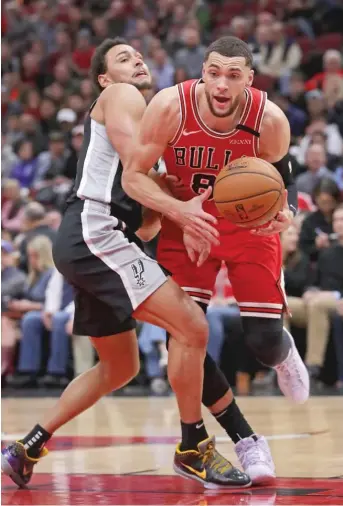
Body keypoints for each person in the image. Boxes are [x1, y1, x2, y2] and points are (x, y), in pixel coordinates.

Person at [1, 38, 250, 491]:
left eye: (137, 55)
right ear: (103, 78)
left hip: (92, 239)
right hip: (96, 233)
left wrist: (162, 196)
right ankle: (193, 445)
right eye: (122, 58)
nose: (136, 60)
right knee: (192, 326)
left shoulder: (141, 114)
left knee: (120, 367)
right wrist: (174, 196)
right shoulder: (121, 96)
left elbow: (148, 224)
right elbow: (136, 169)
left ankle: (27, 446)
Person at [124, 37, 310, 416]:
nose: (222, 84)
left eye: (233, 75)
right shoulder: (169, 106)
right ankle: (222, 433)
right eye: (214, 73)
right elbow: (133, 177)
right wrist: (178, 212)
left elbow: (283, 175)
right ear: (203, 73)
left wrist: (285, 210)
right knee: (185, 341)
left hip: (248, 227)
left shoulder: (269, 118)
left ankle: (283, 352)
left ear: (250, 79)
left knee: (263, 342)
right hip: (186, 221)